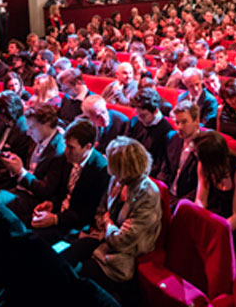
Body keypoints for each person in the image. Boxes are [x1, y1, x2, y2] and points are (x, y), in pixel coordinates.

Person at [61, 136, 162, 305]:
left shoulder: (147, 194)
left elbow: (123, 241)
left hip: (122, 254)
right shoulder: (117, 179)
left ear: (126, 168)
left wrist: (107, 223)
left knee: (78, 279)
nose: (109, 168)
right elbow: (102, 209)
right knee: (62, 258)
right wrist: (103, 220)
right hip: (103, 237)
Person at [30, 119, 111, 241]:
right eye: (66, 145)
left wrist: (55, 219)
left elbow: (87, 213)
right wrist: (51, 203)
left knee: (33, 240)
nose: (66, 151)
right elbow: (61, 192)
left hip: (75, 226)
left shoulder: (100, 169)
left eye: (71, 147)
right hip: (59, 213)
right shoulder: (66, 158)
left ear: (88, 147)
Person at [0, 104, 68, 222]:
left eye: (31, 128)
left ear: (47, 125)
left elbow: (46, 191)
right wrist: (15, 165)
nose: (28, 133)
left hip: (35, 201)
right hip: (19, 190)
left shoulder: (58, 151)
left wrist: (20, 171)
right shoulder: (37, 138)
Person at [194, 130, 236, 251]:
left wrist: (215, 233)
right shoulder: (204, 165)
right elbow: (200, 200)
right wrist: (200, 223)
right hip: (218, 214)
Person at [159, 100, 206, 200]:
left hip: (185, 201)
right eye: (177, 122)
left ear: (196, 121)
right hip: (168, 195)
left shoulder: (205, 146)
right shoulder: (173, 138)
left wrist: (180, 204)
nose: (179, 127)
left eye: (184, 122)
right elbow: (164, 170)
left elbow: (201, 186)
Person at [126, 88, 173, 177]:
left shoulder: (166, 131)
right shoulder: (135, 121)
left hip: (145, 174)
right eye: (138, 114)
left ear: (155, 111)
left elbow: (159, 165)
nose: (140, 119)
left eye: (143, 116)